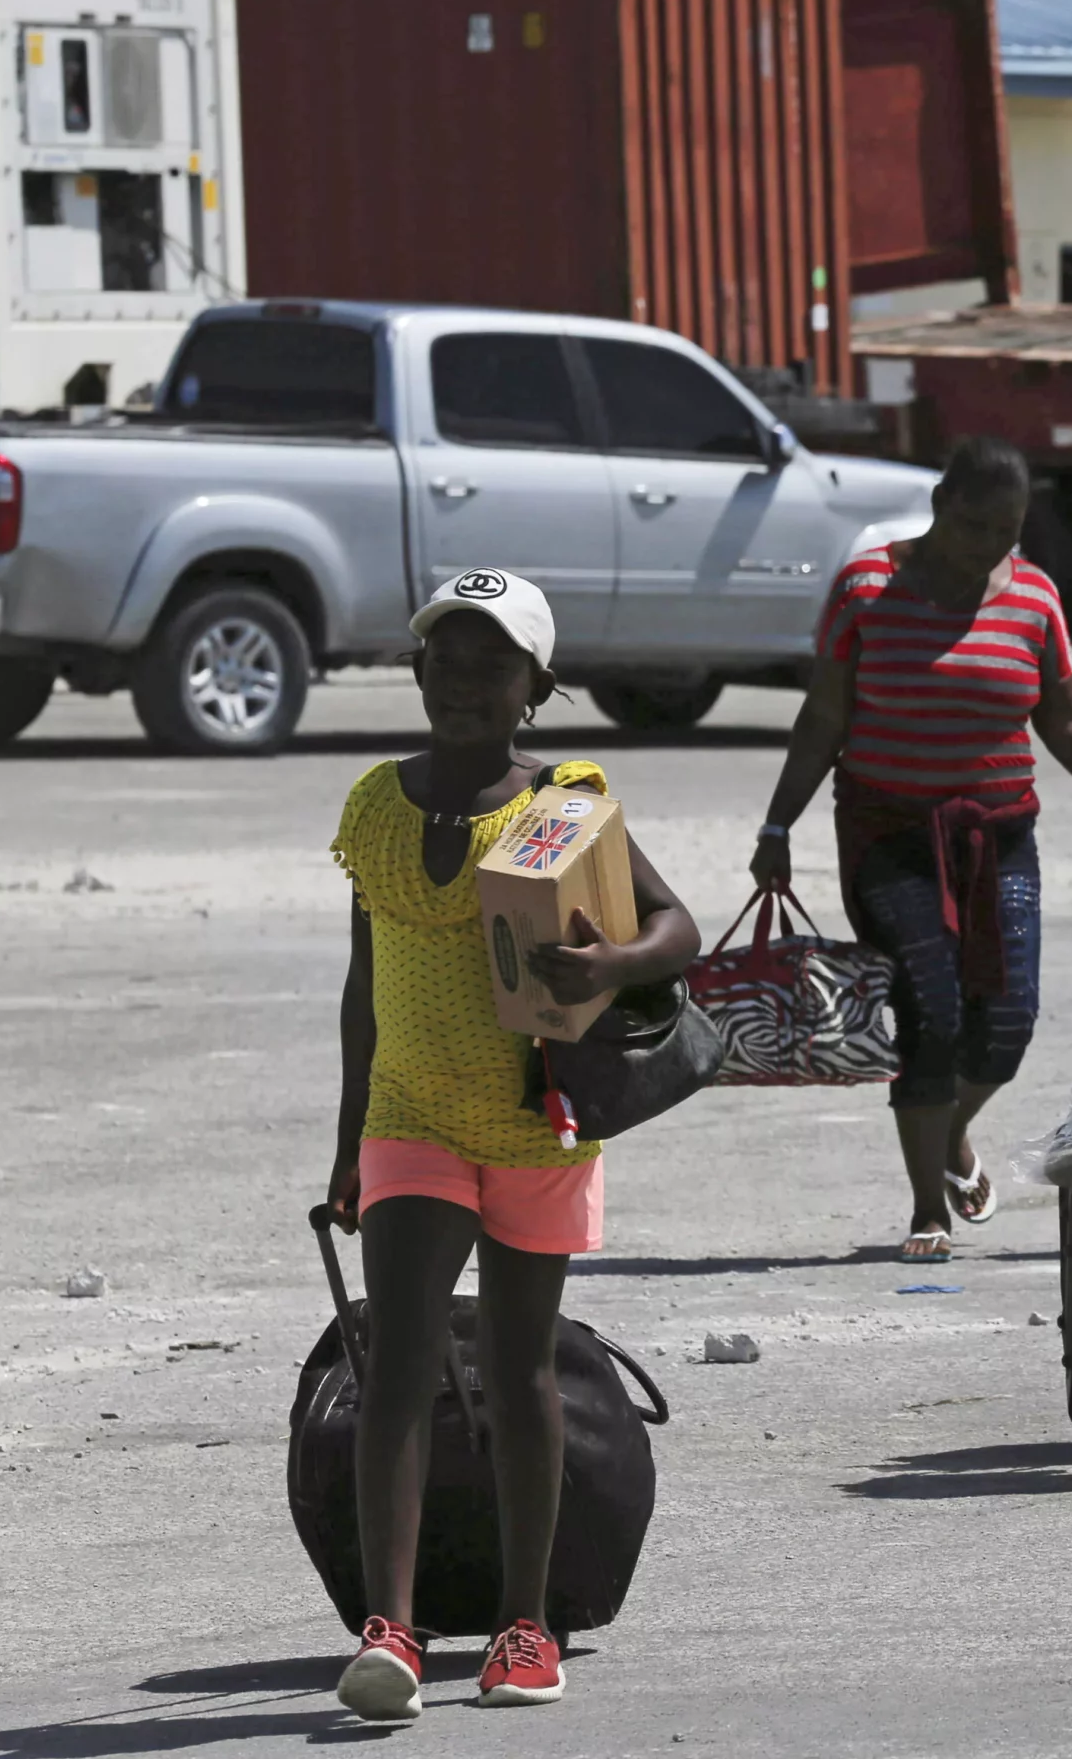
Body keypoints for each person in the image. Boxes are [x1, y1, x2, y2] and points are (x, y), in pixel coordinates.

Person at [325, 568, 702, 1719]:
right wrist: (348, 1142)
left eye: (495, 663)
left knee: (523, 1371)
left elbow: (676, 926)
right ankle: (389, 1632)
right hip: (411, 1117)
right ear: (417, 668)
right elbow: (362, 984)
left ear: (537, 687)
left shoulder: (567, 800)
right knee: (395, 1361)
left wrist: (614, 964)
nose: (466, 680)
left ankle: (523, 1624)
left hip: (539, 1128)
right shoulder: (375, 806)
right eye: (448, 656)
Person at [752, 437, 1072, 1263]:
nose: (989, 545)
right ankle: (925, 1209)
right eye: (975, 524)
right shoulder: (866, 586)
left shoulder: (1035, 598)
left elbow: (1066, 719)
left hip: (1000, 833)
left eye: (1006, 530)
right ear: (941, 505)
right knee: (931, 1009)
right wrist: (777, 826)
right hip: (889, 833)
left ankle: (952, 1135)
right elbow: (823, 721)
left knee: (1007, 1021)